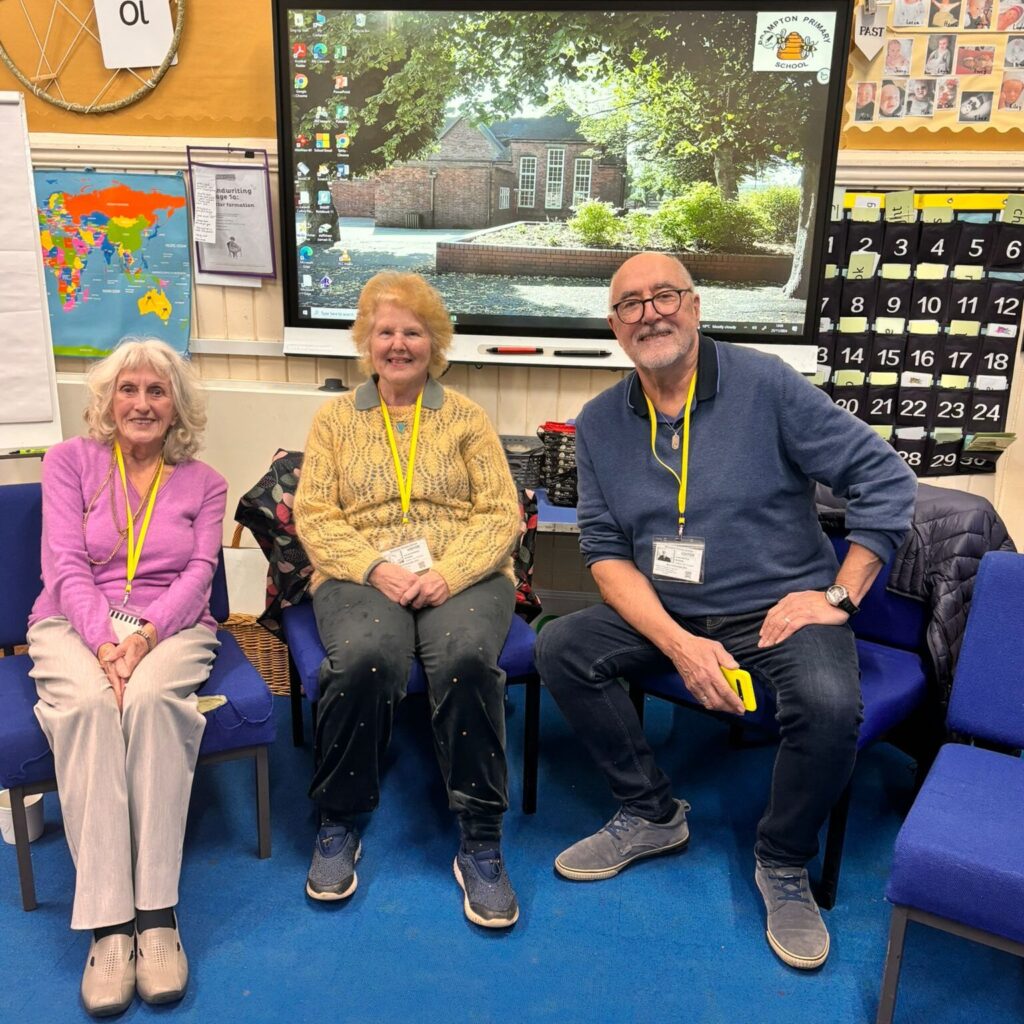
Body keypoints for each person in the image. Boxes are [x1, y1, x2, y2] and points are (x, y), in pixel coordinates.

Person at [535, 253, 916, 970]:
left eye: (665, 295)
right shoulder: (598, 422)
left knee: (832, 705)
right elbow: (604, 550)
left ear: (696, 305)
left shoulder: (765, 383)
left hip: (776, 605)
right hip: (667, 606)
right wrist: (678, 642)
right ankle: (650, 812)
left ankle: (782, 859)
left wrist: (839, 595)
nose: (651, 312)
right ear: (615, 327)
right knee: (562, 647)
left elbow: (885, 479)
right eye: (631, 304)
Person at [293, 271, 522, 928]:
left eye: (413, 331)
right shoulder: (336, 419)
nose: (398, 344)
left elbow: (501, 514)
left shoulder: (466, 417)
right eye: (385, 331)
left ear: (434, 342)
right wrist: (373, 567)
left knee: (467, 662)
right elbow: (314, 516)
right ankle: (340, 819)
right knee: (366, 657)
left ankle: (480, 837)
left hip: (462, 571)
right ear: (367, 340)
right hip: (361, 573)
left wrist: (449, 572)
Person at [27, 339, 227, 1016]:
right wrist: (102, 642)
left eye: (157, 391)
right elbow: (63, 564)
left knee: (151, 705)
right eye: (129, 390)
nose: (142, 404)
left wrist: (141, 639)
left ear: (178, 407)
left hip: (170, 627)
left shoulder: (205, 481)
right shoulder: (69, 463)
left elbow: (201, 574)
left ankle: (157, 916)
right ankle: (110, 928)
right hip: (72, 622)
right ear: (108, 402)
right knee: (84, 709)